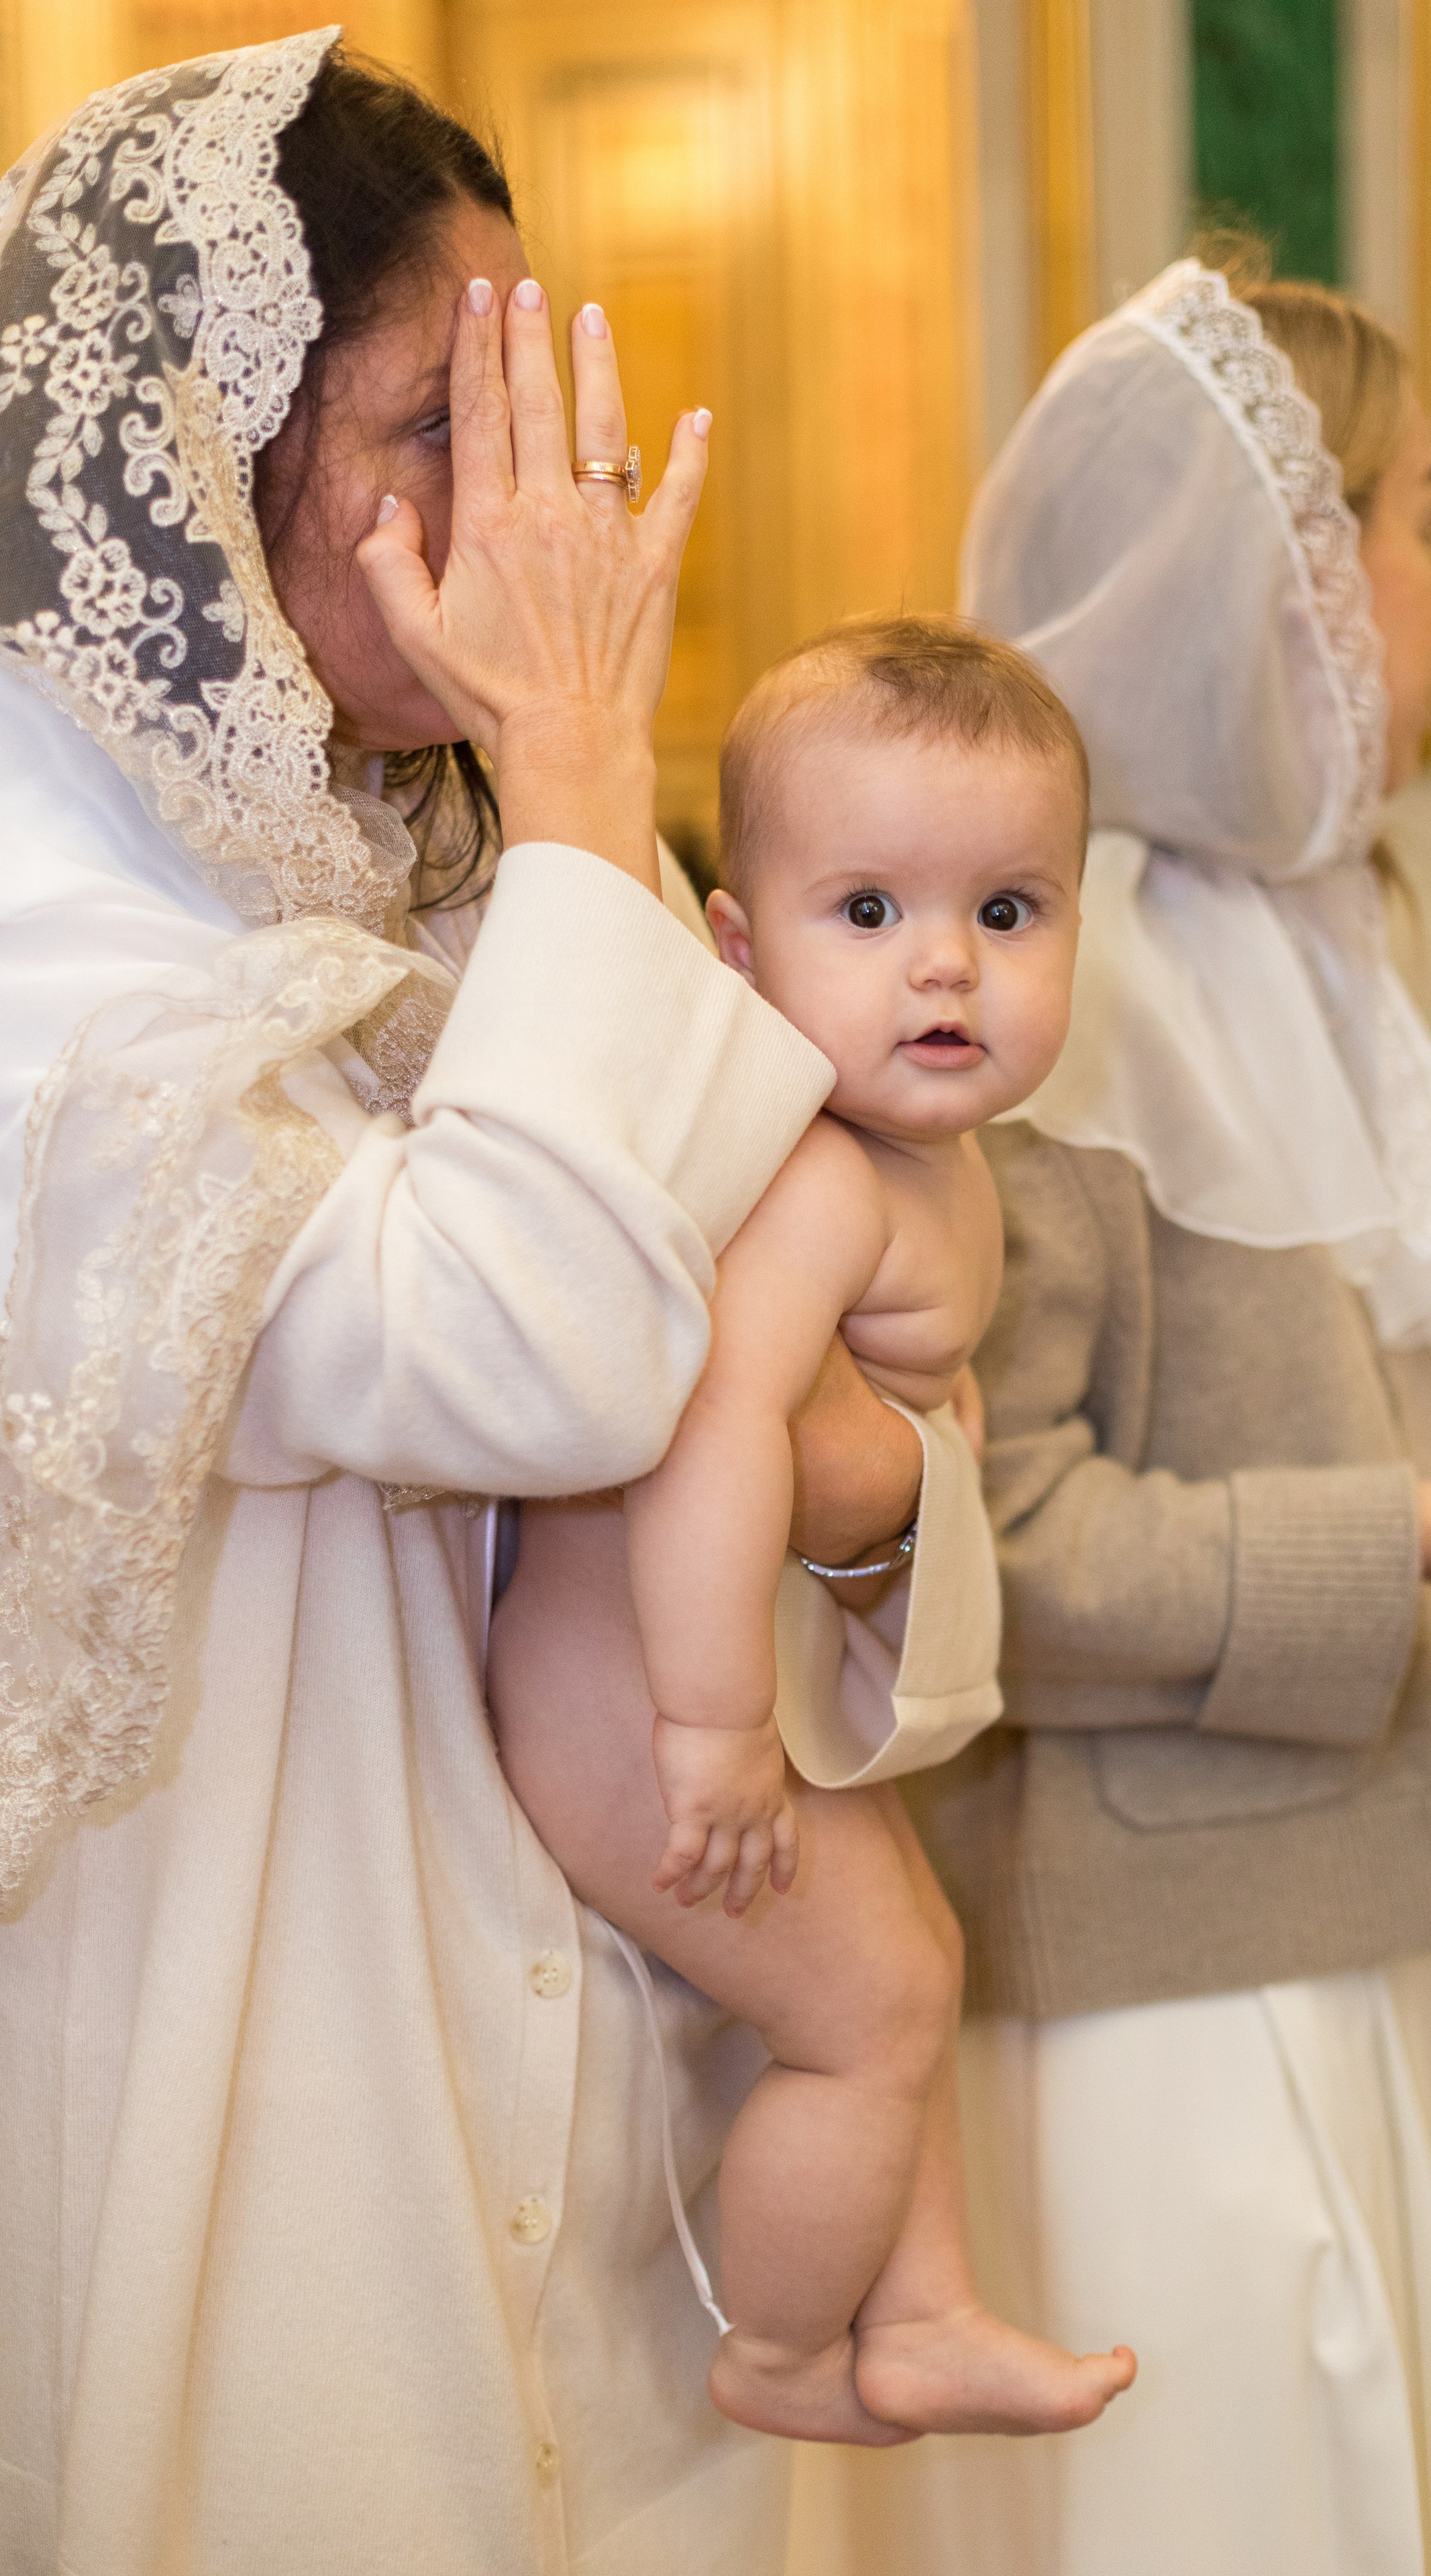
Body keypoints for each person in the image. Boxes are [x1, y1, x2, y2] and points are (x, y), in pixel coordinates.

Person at [0, 38, 1000, 2575]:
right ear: (202, 454)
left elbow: (883, 1347)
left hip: (620, 2048)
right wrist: (579, 779)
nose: (529, 518)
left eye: (535, 414)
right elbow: (516, 1351)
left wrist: (872, 1502)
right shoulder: (49, 917)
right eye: (446, 426)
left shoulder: (446, 850)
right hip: (266, 2058)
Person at [788, 255, 1431, 2576]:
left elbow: (1358, 1400)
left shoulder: (1298, 944)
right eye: (1403, 514)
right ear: (1271, 574)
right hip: (1158, 1981)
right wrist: (1412, 1537)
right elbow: (1003, 1540)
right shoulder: (1041, 980)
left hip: (1352, 1909)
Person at [490, 614, 1135, 2449]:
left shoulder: (929, 1156)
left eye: (1007, 913)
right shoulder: (827, 1180)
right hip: (639, 1690)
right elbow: (710, 1434)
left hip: (711, 1668)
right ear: (733, 944)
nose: (943, 967)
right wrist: (712, 1729)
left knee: (912, 1953)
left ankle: (922, 2308)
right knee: (874, 2013)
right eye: (867, 914)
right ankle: (783, 2352)